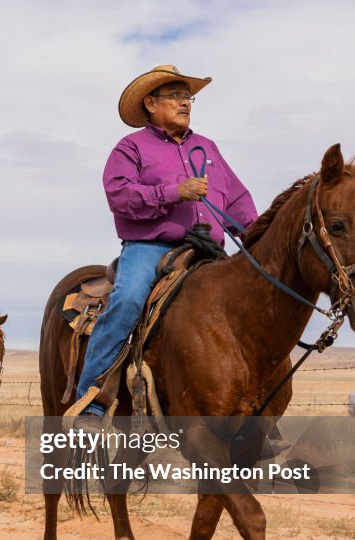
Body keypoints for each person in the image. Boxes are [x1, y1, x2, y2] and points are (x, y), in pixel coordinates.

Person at [70, 65, 257, 418]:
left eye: (188, 96)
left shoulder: (208, 147)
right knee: (126, 300)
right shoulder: (131, 148)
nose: (185, 102)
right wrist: (174, 192)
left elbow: (237, 201)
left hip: (209, 251)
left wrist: (258, 240)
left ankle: (253, 408)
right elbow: (119, 194)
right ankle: (91, 401)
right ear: (151, 103)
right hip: (151, 248)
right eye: (176, 96)